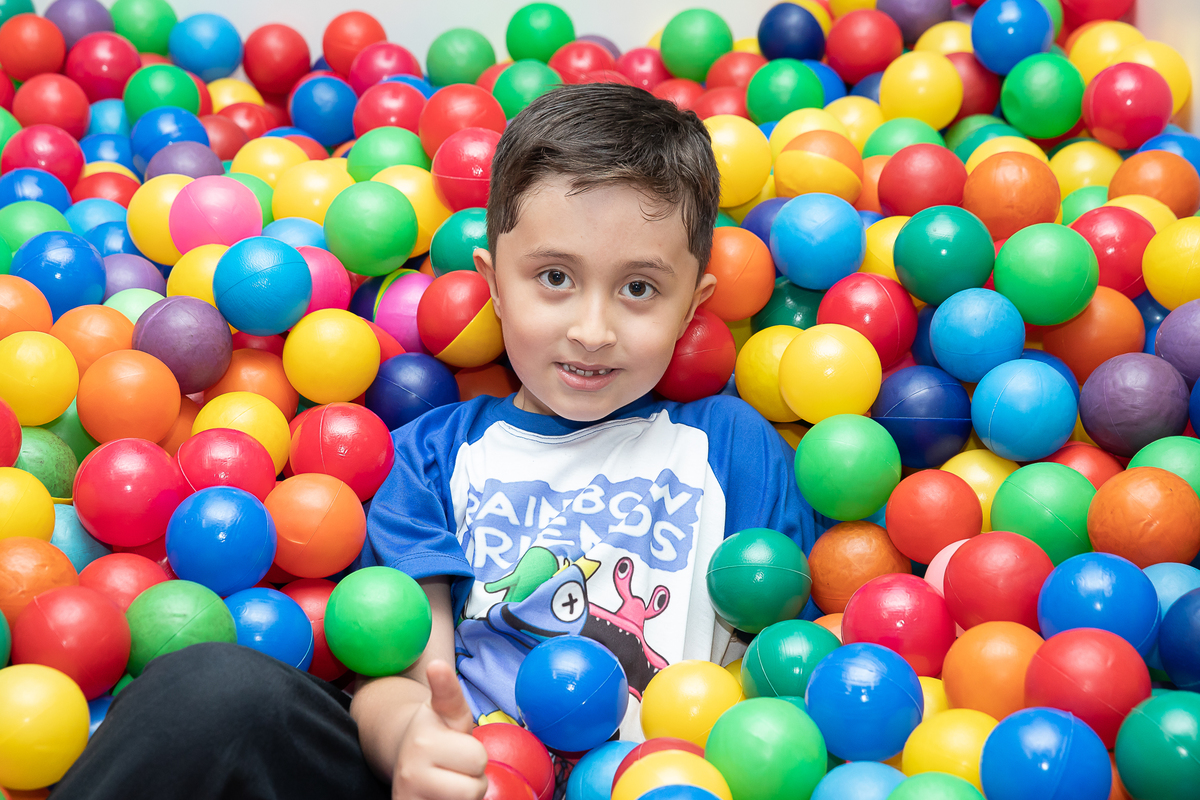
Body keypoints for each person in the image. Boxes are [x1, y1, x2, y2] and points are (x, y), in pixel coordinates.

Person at [50, 84, 830, 800]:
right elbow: (396, 675)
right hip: (460, 783)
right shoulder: (433, 455)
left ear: (693, 305)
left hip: (665, 784)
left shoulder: (729, 447)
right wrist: (411, 745)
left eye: (638, 288)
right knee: (211, 690)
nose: (592, 330)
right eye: (555, 278)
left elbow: (789, 658)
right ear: (493, 281)